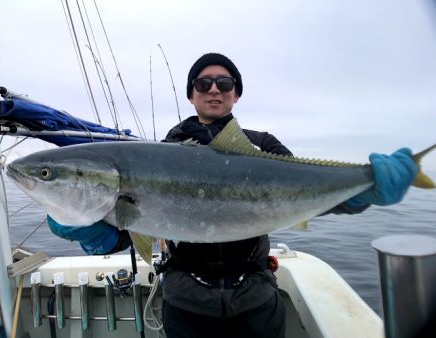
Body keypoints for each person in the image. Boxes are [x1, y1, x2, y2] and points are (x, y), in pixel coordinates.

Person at [48, 53, 418, 338]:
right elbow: (132, 230)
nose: (214, 90)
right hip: (186, 300)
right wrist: (85, 226)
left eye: (224, 83)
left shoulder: (263, 147)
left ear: (236, 94)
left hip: (256, 297)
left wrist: (364, 189)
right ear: (191, 94)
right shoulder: (163, 154)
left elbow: (310, 195)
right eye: (204, 83)